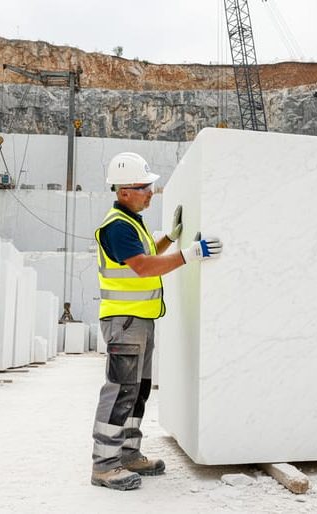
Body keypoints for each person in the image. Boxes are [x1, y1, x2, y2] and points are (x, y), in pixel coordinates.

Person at [91, 152, 223, 491]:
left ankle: (128, 454)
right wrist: (190, 254)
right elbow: (144, 267)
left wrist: (173, 237)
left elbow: (148, 251)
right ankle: (105, 466)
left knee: (138, 390)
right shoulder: (117, 226)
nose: (151, 192)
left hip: (140, 321)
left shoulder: (131, 221)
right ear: (123, 191)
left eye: (150, 186)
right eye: (144, 187)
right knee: (121, 390)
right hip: (125, 322)